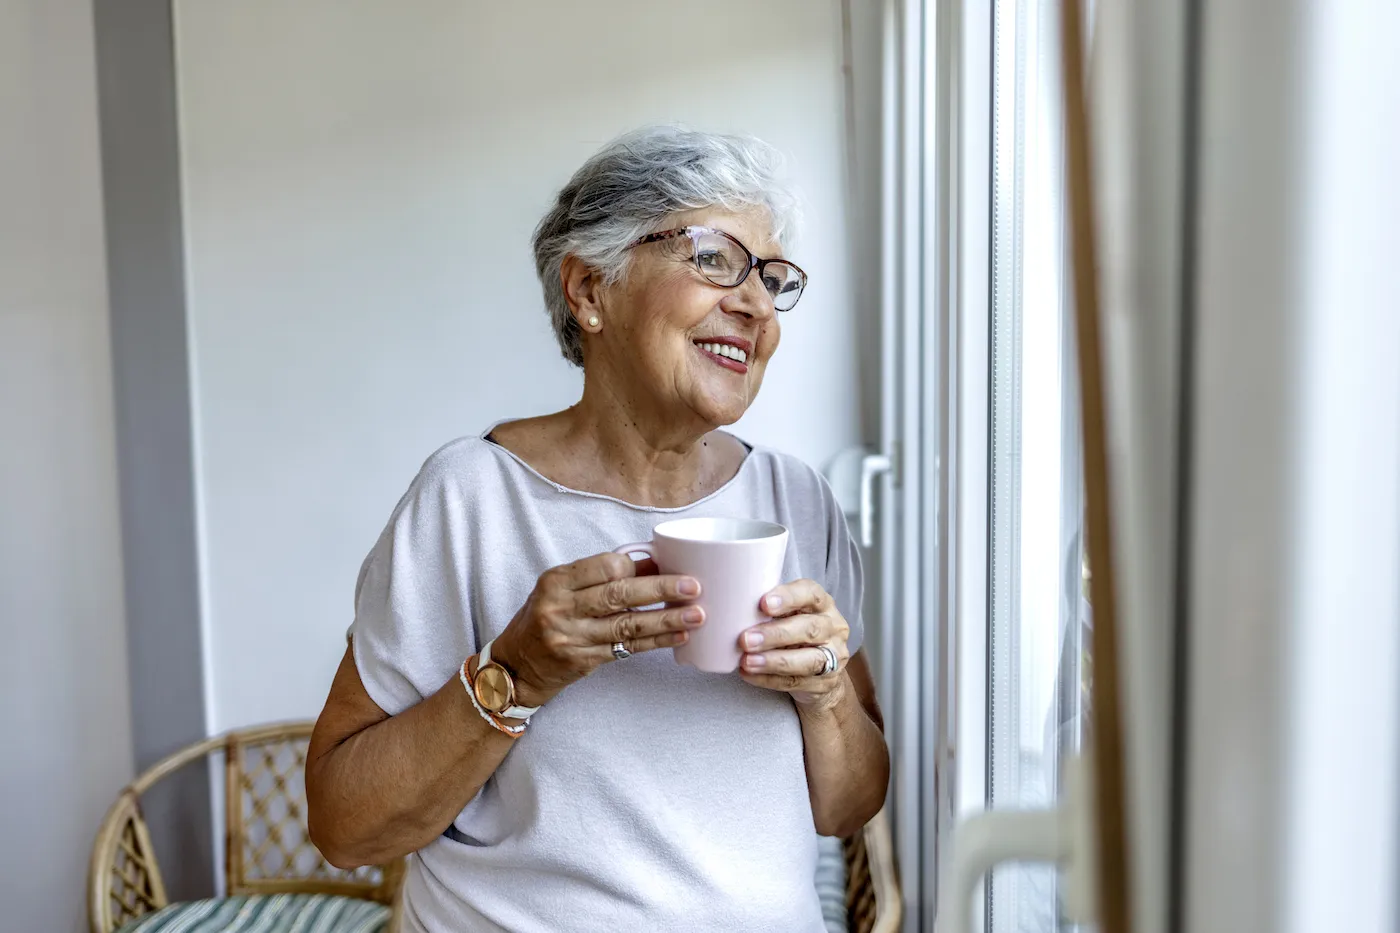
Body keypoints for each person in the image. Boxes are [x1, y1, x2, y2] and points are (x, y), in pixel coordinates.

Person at [306, 126, 890, 933]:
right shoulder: (471, 497)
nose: (756, 303)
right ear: (589, 290)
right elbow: (344, 826)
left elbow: (848, 807)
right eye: (714, 259)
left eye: (772, 277)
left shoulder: (799, 499)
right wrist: (515, 672)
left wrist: (825, 692)